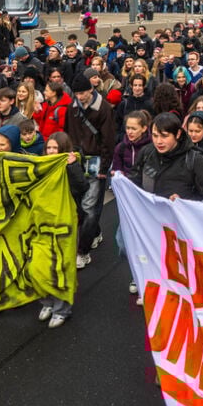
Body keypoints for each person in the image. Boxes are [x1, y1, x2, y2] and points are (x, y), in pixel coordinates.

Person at [65, 73, 116, 269]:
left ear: (91, 90)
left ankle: (82, 251)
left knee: (89, 206)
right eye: (76, 93)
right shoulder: (73, 108)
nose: (80, 97)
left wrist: (104, 167)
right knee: (79, 205)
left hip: (96, 161)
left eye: (82, 93)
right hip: (77, 160)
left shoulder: (103, 109)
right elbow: (68, 131)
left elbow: (108, 139)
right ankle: (94, 232)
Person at [38, 132, 88, 328]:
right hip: (43, 221)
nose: (51, 152)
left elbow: (82, 188)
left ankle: (61, 309)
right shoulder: (41, 167)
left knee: (61, 265)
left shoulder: (72, 165)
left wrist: (72, 166)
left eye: (55, 149)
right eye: (48, 148)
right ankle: (46, 302)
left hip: (66, 222)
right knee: (41, 264)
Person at [127, 112, 203, 201]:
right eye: (155, 136)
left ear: (177, 134)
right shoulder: (147, 152)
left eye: (164, 136)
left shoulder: (195, 160)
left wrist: (184, 202)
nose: (159, 141)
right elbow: (134, 181)